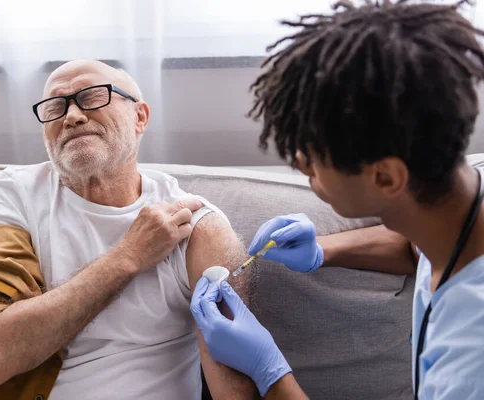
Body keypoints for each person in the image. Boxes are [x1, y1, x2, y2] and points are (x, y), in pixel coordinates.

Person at [191, 0, 484, 399]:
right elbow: (422, 250)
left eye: (311, 160)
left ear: (385, 176)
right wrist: (322, 251)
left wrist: (269, 370)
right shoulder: (454, 207)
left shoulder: (471, 357)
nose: (298, 163)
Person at [0, 60, 257, 399]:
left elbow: (233, 388)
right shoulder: (18, 194)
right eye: (55, 106)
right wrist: (129, 255)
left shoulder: (197, 225)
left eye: (93, 97)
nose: (72, 116)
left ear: (140, 117)